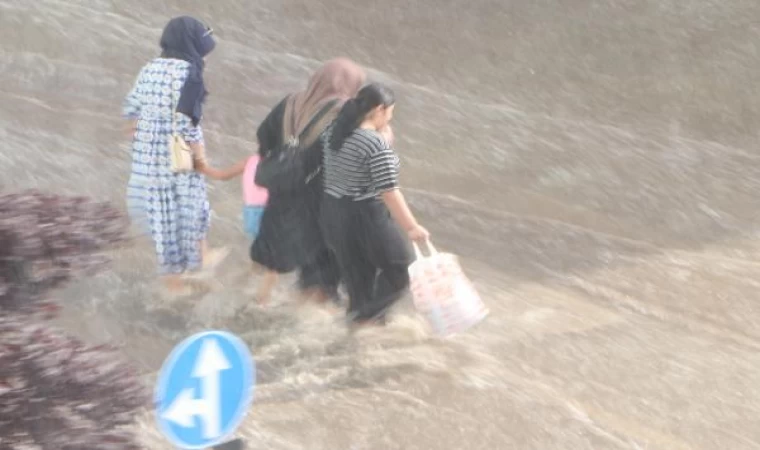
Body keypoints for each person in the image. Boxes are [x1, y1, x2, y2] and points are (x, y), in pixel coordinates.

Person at [123, 16, 245, 294]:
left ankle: (179, 276)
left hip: (148, 155)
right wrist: (201, 160)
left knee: (163, 214)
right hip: (178, 155)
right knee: (191, 206)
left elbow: (132, 110)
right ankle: (192, 271)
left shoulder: (149, 69)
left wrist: (144, 138)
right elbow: (186, 124)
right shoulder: (190, 75)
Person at [250, 58, 366, 305]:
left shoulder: (290, 103)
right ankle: (309, 316)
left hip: (282, 197)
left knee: (273, 261)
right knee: (319, 277)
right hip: (321, 205)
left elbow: (264, 139)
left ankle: (259, 304)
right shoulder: (346, 113)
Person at [320, 83, 429, 326]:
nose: (390, 117)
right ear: (380, 109)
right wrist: (412, 227)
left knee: (359, 280)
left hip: (333, 213)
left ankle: (360, 325)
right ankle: (367, 320)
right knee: (401, 269)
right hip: (365, 215)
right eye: (391, 112)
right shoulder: (374, 143)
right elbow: (389, 192)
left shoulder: (333, 133)